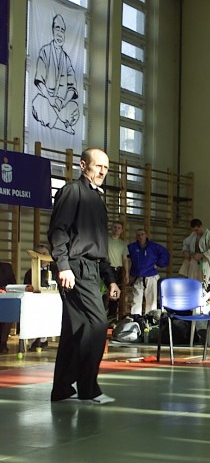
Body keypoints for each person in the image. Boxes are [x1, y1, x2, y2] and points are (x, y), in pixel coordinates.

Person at [48, 148, 119, 404]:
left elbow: (99, 245)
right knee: (97, 325)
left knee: (75, 330)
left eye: (106, 168)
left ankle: (62, 388)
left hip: (91, 268)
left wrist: (110, 278)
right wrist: (63, 265)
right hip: (75, 268)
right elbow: (58, 230)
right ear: (82, 165)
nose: (102, 171)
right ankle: (88, 389)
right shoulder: (72, 191)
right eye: (98, 166)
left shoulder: (98, 199)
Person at [31, 15, 79, 134]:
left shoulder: (66, 59)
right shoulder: (45, 51)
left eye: (62, 30)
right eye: (57, 28)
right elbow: (39, 81)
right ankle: (62, 126)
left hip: (61, 105)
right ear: (53, 31)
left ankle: (58, 121)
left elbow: (72, 87)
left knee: (75, 109)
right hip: (48, 101)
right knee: (37, 102)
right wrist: (50, 98)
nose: (60, 33)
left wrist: (64, 102)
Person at [127, 228, 170, 319]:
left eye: (142, 234)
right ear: (136, 237)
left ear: (146, 235)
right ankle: (136, 319)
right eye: (138, 235)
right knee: (136, 300)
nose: (140, 236)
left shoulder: (154, 247)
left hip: (151, 276)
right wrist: (128, 274)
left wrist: (159, 264)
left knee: (152, 301)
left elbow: (165, 254)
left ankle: (151, 320)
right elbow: (126, 259)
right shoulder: (132, 247)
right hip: (137, 276)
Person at [24, 244, 54, 351]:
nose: (42, 256)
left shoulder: (55, 270)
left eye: (44, 253)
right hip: (35, 301)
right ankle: (35, 339)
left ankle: (43, 339)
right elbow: (26, 287)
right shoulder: (29, 272)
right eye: (39, 254)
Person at [179, 218, 210, 286]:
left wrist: (202, 255)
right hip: (193, 262)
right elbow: (186, 243)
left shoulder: (209, 235)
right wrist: (185, 251)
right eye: (193, 230)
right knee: (192, 282)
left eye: (196, 230)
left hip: (205, 262)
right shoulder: (193, 235)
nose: (195, 232)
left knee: (204, 282)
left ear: (201, 226)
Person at [106, 221, 128, 322]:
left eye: (119, 228)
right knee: (104, 295)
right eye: (115, 227)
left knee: (115, 296)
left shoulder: (123, 244)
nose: (117, 229)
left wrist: (126, 273)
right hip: (106, 269)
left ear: (122, 230)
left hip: (117, 270)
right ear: (111, 228)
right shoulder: (106, 240)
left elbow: (125, 259)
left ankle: (112, 320)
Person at [0, 261, 15, 354]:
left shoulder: (6, 267)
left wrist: (4, 289)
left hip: (5, 297)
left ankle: (2, 343)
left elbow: (12, 285)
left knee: (9, 310)